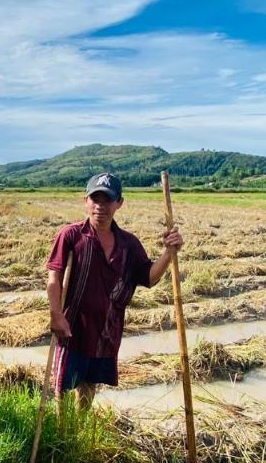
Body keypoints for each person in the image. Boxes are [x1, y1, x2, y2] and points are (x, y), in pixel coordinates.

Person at [46, 172, 183, 412]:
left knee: (89, 385)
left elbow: (149, 277)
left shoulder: (128, 244)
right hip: (73, 328)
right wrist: (56, 315)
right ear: (85, 201)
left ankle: (80, 427)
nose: (100, 206)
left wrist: (169, 253)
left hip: (106, 331)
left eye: (108, 200)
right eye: (95, 199)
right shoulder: (71, 235)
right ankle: (60, 433)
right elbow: (55, 277)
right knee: (63, 387)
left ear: (119, 203)